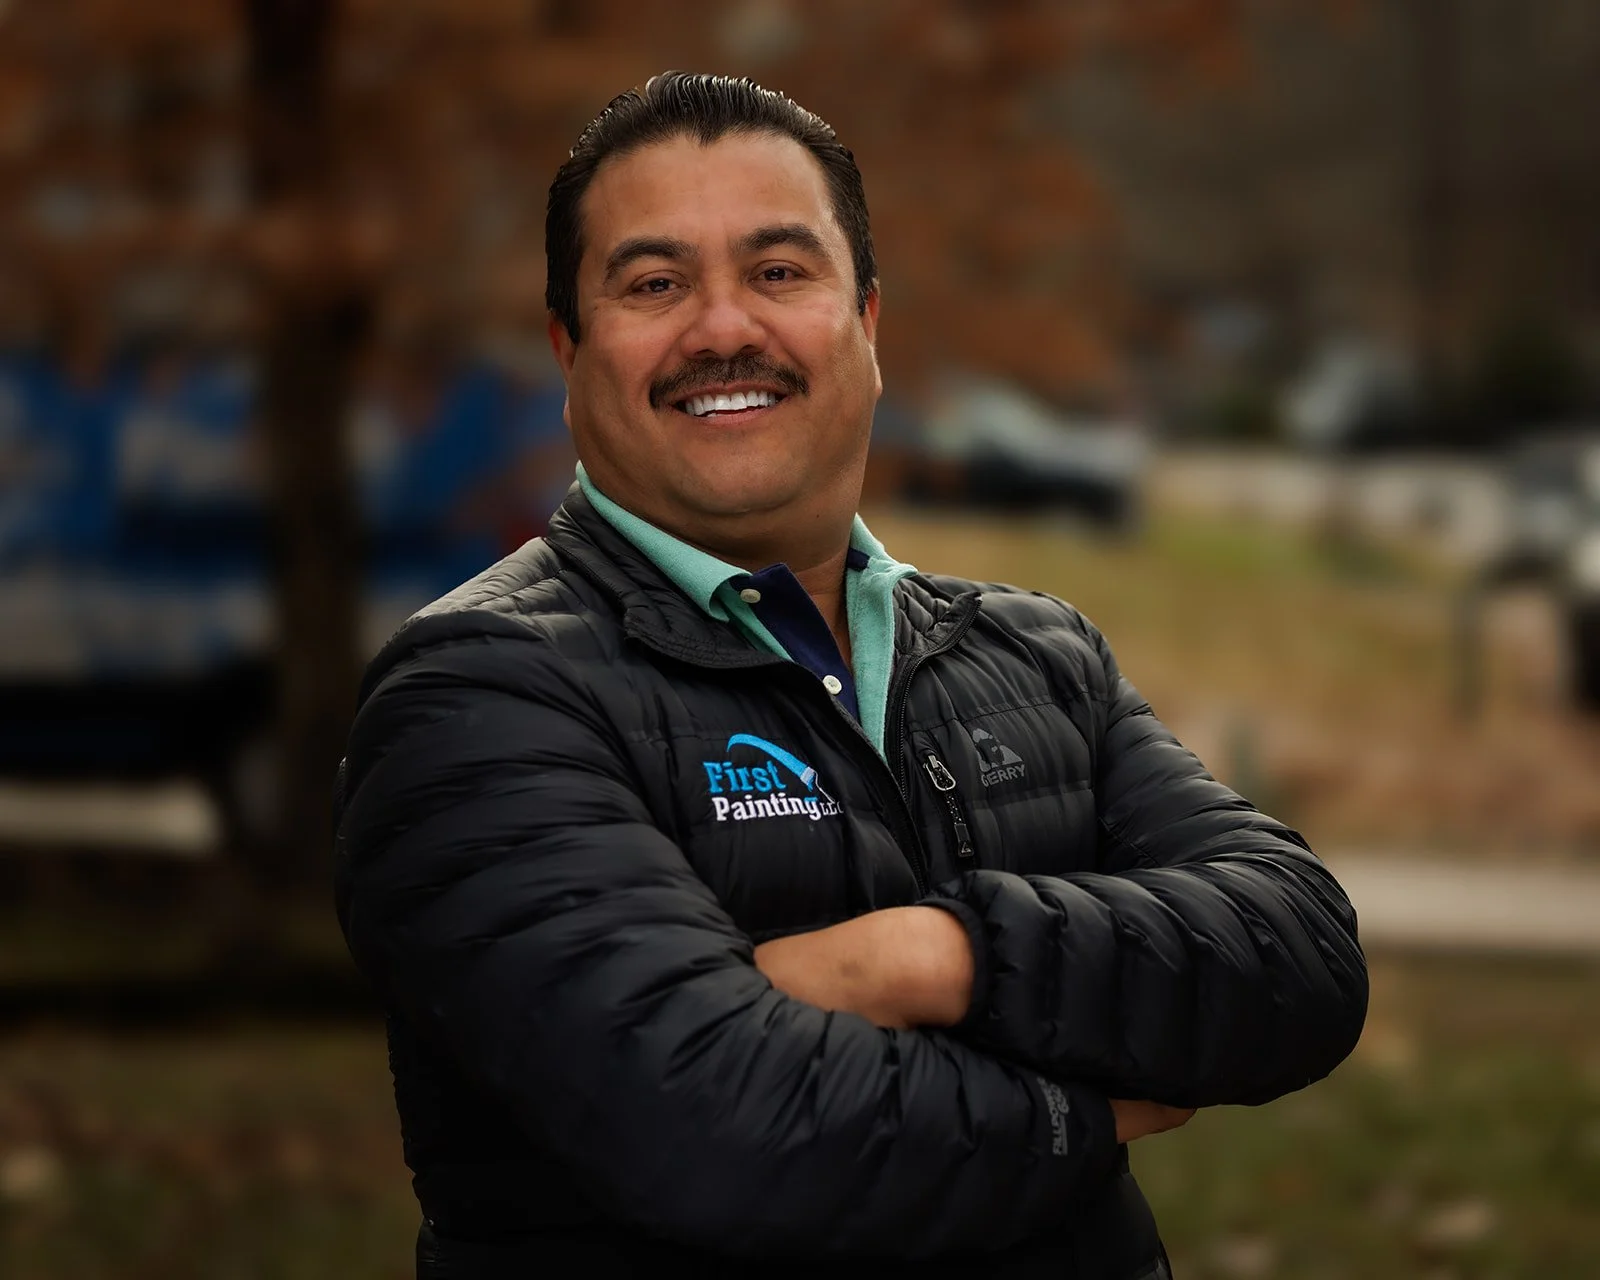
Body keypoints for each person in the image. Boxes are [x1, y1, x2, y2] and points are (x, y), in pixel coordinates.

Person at [333, 72, 1368, 1279]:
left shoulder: (1036, 656)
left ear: (866, 323)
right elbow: (717, 1130)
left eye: (779, 270)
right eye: (654, 283)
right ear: (570, 348)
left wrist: (926, 956)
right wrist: (1079, 1110)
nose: (723, 328)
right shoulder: (476, 693)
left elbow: (1298, 955)